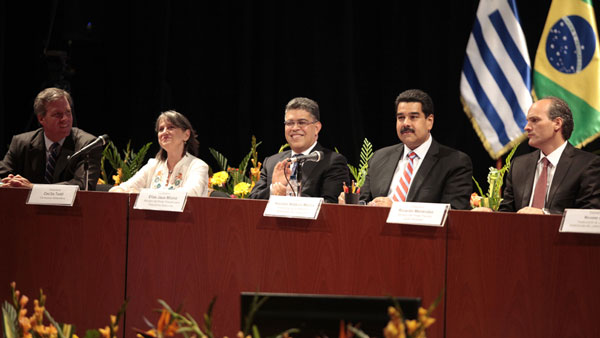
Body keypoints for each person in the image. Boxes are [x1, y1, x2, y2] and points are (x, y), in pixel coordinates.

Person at [344, 89, 473, 209]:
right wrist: (350, 203)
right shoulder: (379, 157)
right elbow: (363, 203)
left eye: (413, 117)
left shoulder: (454, 162)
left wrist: (396, 209)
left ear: (429, 121)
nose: (406, 123)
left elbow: (453, 212)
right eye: (401, 117)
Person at [497, 97, 600, 214]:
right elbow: (506, 213)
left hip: (559, 233)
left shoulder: (587, 165)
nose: (526, 127)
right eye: (527, 121)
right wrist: (487, 213)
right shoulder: (518, 165)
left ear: (557, 123)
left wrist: (544, 215)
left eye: (534, 120)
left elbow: (588, 216)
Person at [248, 97, 349, 203]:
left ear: (317, 128)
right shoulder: (271, 162)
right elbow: (251, 203)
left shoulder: (332, 162)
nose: (295, 128)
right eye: (290, 123)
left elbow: (332, 205)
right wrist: (274, 190)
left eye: (302, 122)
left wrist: (288, 194)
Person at [0, 87, 101, 190]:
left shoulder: (87, 145)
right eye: (58, 114)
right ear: (41, 118)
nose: (65, 119)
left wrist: (33, 188)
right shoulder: (21, 143)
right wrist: (10, 182)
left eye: (68, 112)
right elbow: (2, 176)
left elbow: (83, 185)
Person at [109, 110, 209, 197]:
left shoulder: (198, 166)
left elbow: (189, 195)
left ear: (186, 135)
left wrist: (141, 194)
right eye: (161, 129)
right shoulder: (153, 165)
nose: (164, 132)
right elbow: (121, 189)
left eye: (170, 127)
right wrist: (123, 191)